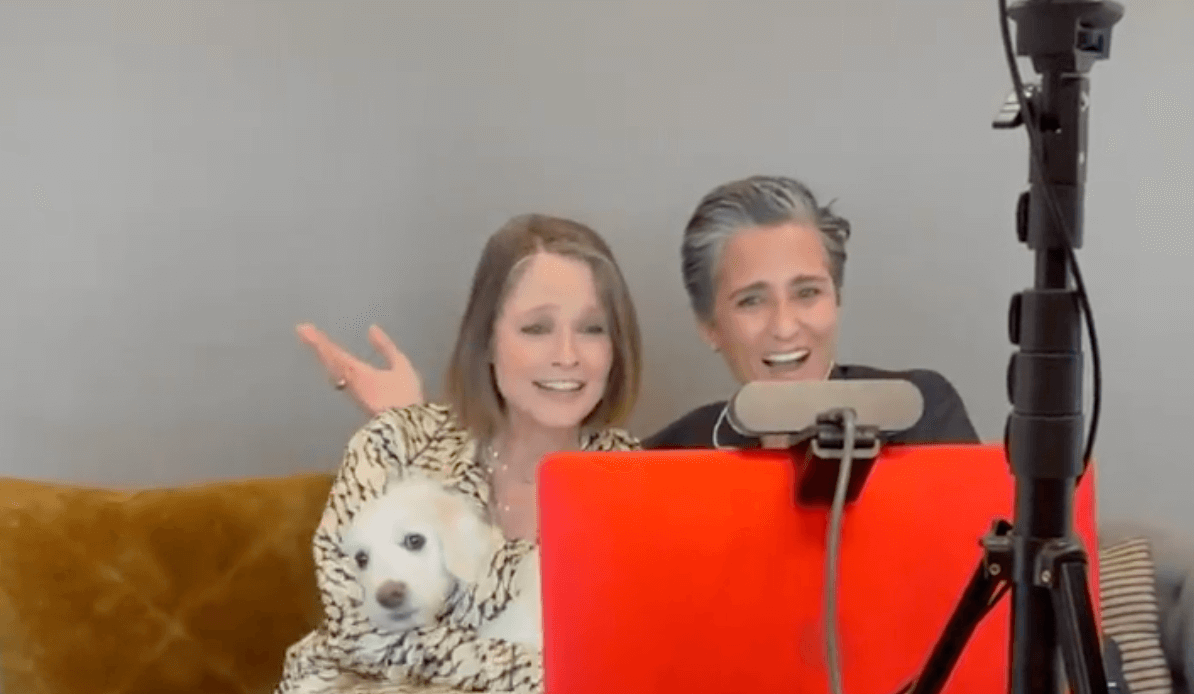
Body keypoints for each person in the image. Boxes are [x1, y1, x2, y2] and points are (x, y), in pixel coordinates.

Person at [0, 213, 642, 694]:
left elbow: (612, 665)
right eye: (536, 327)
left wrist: (541, 689)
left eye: (592, 329)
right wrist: (539, 679)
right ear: (486, 337)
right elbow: (365, 629)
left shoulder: (627, 480)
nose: (567, 355)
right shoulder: (397, 439)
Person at [298, 175, 979, 449]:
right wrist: (403, 426)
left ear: (836, 299)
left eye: (807, 292)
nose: (784, 326)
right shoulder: (669, 459)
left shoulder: (923, 408)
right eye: (750, 300)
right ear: (708, 326)